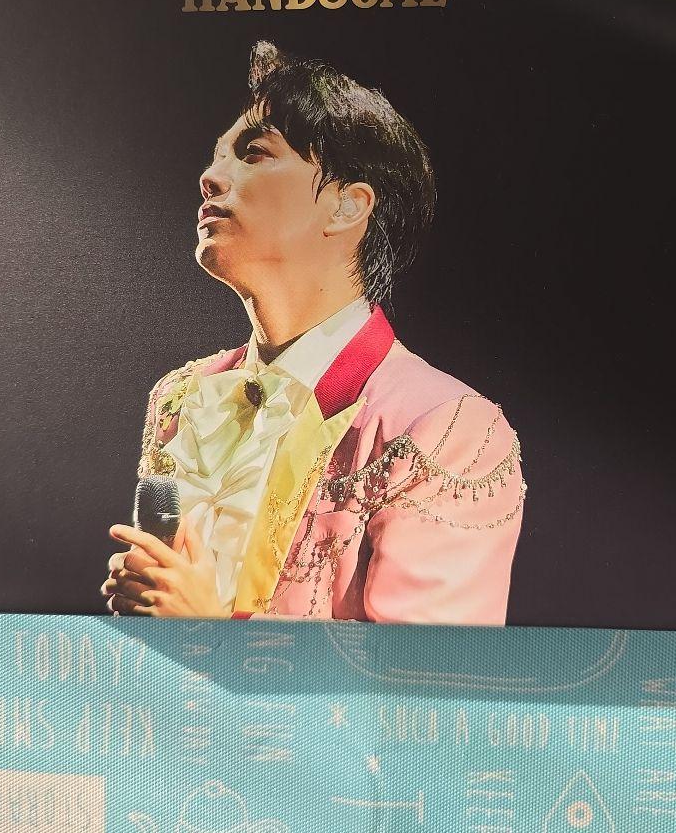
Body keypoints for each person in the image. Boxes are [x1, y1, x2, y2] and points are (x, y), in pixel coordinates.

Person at [102, 39, 526, 624]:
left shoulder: (448, 427)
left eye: (254, 153)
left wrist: (207, 631)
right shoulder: (180, 395)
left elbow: (427, 672)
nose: (210, 177)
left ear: (348, 207)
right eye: (217, 157)